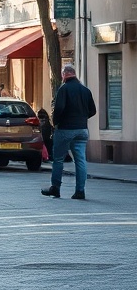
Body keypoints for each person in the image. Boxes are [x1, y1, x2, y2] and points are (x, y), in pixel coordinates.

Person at [42, 63, 97, 200]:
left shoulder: (64, 89)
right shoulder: (85, 90)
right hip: (82, 130)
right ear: (74, 74)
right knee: (80, 160)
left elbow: (59, 109)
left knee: (58, 159)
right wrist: (82, 118)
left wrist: (56, 123)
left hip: (66, 129)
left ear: (64, 75)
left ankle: (55, 188)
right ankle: (80, 191)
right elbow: (93, 110)